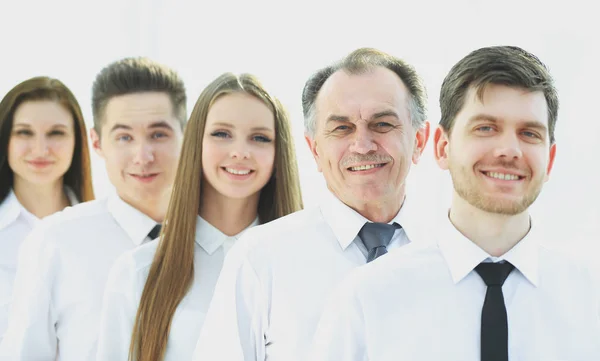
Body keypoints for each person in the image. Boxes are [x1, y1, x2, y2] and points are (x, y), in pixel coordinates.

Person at [308, 45, 600, 361]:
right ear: (442, 147)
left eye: (529, 133)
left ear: (550, 160)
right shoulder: (366, 300)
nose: (509, 150)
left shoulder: (591, 299)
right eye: (486, 128)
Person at [192, 47, 430, 361]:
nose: (362, 145)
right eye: (342, 128)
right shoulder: (259, 259)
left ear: (420, 141)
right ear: (314, 150)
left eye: (382, 124)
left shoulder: (457, 253)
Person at [96, 72, 303, 361]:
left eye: (259, 137)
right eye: (222, 134)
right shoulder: (138, 272)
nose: (240, 152)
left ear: (278, 151)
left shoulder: (303, 266)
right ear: (196, 143)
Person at [0, 57, 186, 361]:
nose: (142, 155)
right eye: (124, 137)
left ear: (187, 137)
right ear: (97, 143)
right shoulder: (53, 243)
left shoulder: (225, 244)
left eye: (158, 134)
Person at [0, 76, 94, 343]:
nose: (40, 149)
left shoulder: (106, 229)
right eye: (24, 132)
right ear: (5, 139)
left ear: (78, 140)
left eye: (56, 133)